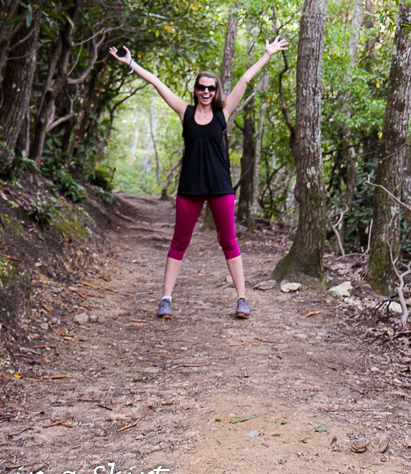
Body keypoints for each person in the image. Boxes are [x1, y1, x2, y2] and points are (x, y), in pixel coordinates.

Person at [109, 37, 288, 320]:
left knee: (229, 241)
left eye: (210, 88)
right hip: (190, 188)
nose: (206, 91)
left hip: (220, 188)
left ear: (216, 91)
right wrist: (130, 63)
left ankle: (242, 299)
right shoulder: (185, 112)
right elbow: (157, 83)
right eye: (201, 87)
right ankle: (166, 298)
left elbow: (245, 78)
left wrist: (267, 55)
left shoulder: (223, 112)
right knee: (179, 241)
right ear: (195, 90)